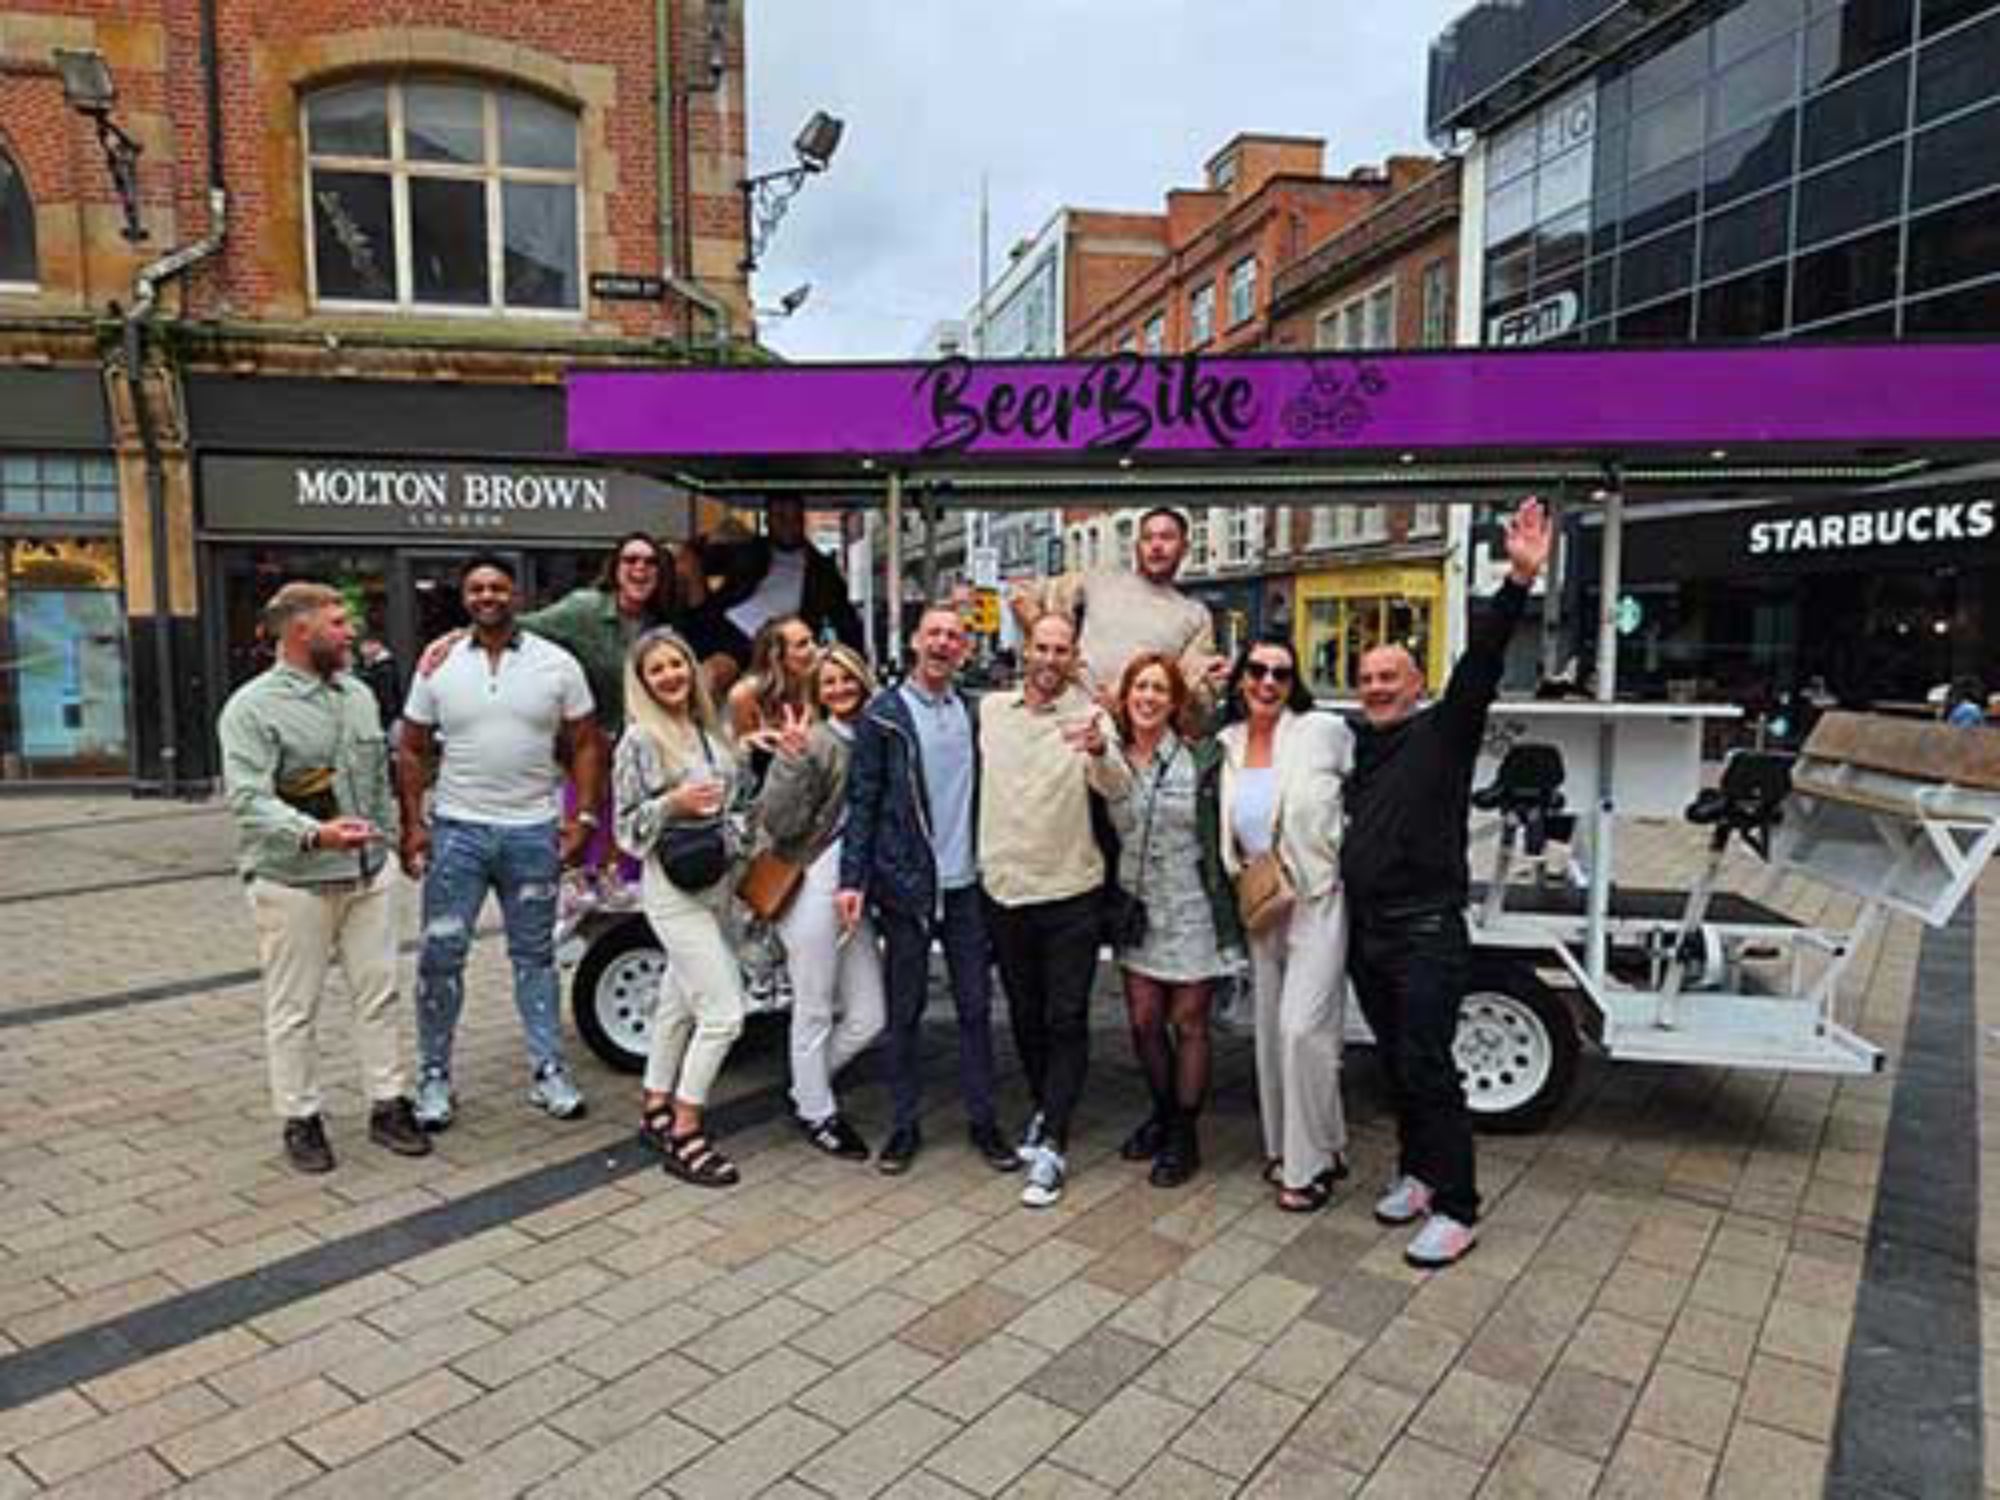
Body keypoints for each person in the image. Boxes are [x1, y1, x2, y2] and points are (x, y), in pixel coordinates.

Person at [1344, 498, 1552, 1269]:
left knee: (1431, 1063)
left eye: (1390, 676)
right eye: (1366, 678)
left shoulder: (1445, 731)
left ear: (1418, 682)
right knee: (1397, 1061)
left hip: (1426, 930)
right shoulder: (1359, 745)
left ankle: (1460, 1208)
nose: (1376, 687)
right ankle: (1419, 1173)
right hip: (1369, 932)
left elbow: (1482, 663)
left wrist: (1517, 581)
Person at [218, 581, 430, 1173]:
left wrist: (396, 845)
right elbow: (247, 800)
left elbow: (378, 775)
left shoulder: (358, 695)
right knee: (294, 1007)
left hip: (368, 876)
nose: (350, 631)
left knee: (379, 995)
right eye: (337, 622)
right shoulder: (251, 708)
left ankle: (387, 1105)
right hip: (294, 881)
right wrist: (316, 834)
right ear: (299, 631)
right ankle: (301, 1117)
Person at [397, 554, 604, 1130]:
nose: (488, 595)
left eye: (498, 587)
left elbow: (587, 742)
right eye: (477, 588)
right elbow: (411, 746)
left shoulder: (556, 664)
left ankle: (548, 1071)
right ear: (465, 597)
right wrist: (412, 823)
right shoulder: (437, 664)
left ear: (517, 595)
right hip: (457, 831)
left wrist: (583, 816)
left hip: (533, 832)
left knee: (535, 957)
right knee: (441, 956)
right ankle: (434, 1075)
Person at [836, 603, 1018, 1177]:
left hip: (967, 885)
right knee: (905, 1011)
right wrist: (852, 880)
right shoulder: (883, 715)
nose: (943, 643)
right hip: (908, 885)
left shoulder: (976, 712)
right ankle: (904, 1125)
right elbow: (862, 801)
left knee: (974, 1009)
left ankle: (985, 1122)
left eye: (954, 636)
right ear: (916, 642)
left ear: (965, 648)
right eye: (934, 633)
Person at [978, 614, 1124, 1208]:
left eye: (1061, 650)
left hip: (1071, 890)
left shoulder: (1091, 718)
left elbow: (1116, 787)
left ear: (1074, 658)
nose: (1048, 658)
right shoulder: (990, 712)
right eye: (1041, 646)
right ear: (1025, 650)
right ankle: (1045, 1106)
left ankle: (1055, 1142)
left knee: (1066, 1017)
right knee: (1025, 1014)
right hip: (1006, 889)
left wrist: (1100, 751)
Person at [1218, 634, 1354, 1213]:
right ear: (1241, 678)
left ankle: (1309, 1167)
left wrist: (1344, 850)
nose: (1267, 683)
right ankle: (1295, 1146)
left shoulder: (1321, 730)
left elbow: (1364, 785)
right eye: (1256, 671)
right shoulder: (1225, 743)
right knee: (1273, 1034)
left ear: (1293, 681)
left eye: (1280, 673)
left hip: (1317, 897)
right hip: (1260, 898)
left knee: (1304, 1029)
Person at [613, 628, 749, 1186]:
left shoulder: (708, 731)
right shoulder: (640, 740)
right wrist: (673, 803)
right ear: (642, 683)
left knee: (678, 1003)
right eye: (657, 670)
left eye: (677, 664)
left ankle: (654, 1106)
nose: (670, 676)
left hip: (715, 881)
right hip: (671, 888)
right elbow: (626, 828)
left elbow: (737, 807)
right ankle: (686, 1128)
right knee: (724, 1014)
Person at [1101, 652, 1241, 1188]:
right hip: (1137, 907)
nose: (1149, 698)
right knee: (1141, 1021)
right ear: (1126, 696)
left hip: (1193, 906)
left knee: (1189, 1023)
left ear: (1175, 701)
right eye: (1141, 687)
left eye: (1160, 689)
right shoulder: (1109, 755)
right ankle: (1162, 1113)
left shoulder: (1199, 757)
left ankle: (1185, 1134)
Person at [761, 645, 888, 1158]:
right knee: (813, 1006)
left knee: (868, 1016)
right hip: (814, 879)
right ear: (817, 690)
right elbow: (778, 822)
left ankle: (804, 1082)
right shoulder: (812, 741)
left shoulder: (880, 733)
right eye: (829, 682)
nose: (839, 688)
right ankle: (817, 1110)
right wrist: (790, 761)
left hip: (857, 886)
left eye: (847, 679)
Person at [1010, 506, 1224, 705]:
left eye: (1167, 538)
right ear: (1137, 546)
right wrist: (1053, 643)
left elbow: (1194, 689)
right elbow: (1022, 595)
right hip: (1075, 713)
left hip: (1140, 730)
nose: (1156, 546)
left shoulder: (1195, 615)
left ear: (1184, 548)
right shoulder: (1099, 580)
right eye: (1148, 538)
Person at [698, 498, 864, 666]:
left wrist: (856, 663)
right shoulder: (748, 550)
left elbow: (846, 620)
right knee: (715, 670)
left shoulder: (820, 569)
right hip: (729, 636)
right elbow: (701, 558)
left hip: (782, 647)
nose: (789, 524)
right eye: (781, 517)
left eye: (795, 518)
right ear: (767, 520)